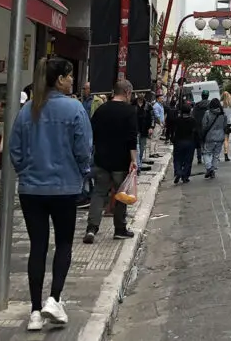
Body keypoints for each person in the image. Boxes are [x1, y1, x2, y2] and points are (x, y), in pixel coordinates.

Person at [9, 57, 92, 331]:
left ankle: (34, 311)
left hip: (31, 189)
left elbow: (15, 150)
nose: (72, 82)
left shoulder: (28, 110)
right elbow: (83, 149)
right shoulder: (74, 108)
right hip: (65, 187)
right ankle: (54, 299)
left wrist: (27, 171)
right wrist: (83, 173)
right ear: (60, 79)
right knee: (64, 244)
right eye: (69, 77)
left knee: (38, 247)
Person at [84, 80, 138, 244]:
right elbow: (131, 138)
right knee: (121, 194)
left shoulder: (101, 109)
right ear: (127, 92)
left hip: (101, 159)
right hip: (121, 161)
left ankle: (92, 228)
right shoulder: (130, 111)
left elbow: (92, 133)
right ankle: (119, 229)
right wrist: (134, 160)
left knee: (99, 193)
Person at [167, 96, 199, 184]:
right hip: (190, 142)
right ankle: (185, 176)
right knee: (188, 160)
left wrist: (172, 139)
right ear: (190, 111)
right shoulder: (193, 121)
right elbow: (196, 132)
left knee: (177, 158)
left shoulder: (177, 120)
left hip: (178, 141)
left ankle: (178, 172)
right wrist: (197, 143)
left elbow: (172, 130)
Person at [198, 97, 228, 179]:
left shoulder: (207, 113)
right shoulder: (223, 114)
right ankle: (213, 169)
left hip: (209, 137)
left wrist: (203, 133)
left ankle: (209, 168)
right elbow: (225, 125)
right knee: (216, 154)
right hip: (220, 137)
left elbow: (204, 125)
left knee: (206, 152)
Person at [134, 94, 153, 171]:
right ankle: (138, 164)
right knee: (137, 147)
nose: (141, 94)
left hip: (145, 129)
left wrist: (151, 127)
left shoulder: (148, 105)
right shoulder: (132, 104)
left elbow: (152, 117)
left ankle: (140, 162)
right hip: (135, 129)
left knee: (142, 148)